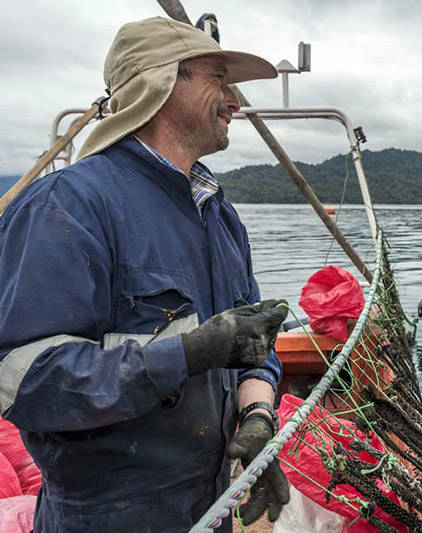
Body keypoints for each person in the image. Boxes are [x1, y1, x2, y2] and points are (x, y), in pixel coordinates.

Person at [0, 17, 292, 532]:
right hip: (107, 516)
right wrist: (188, 354)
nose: (234, 101)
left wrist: (258, 421)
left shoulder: (220, 215)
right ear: (161, 82)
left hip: (212, 503)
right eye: (217, 78)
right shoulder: (67, 205)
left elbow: (255, 347)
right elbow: (22, 380)